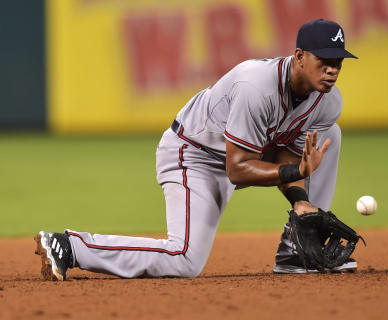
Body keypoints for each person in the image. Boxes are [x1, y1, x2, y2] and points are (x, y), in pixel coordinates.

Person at [34, 19, 358, 280]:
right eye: (324, 60)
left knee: (331, 133)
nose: (332, 70)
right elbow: (237, 168)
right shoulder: (256, 86)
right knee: (185, 259)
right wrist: (298, 172)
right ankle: (71, 247)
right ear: (300, 56)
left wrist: (300, 201)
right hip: (194, 155)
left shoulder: (327, 102)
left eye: (338, 62)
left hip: (246, 153)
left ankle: (295, 253)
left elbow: (287, 151)